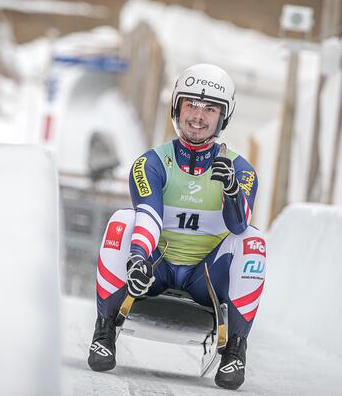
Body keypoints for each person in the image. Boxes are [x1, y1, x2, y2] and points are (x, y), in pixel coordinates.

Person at [87, 63, 266, 390]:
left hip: (207, 275)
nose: (198, 116)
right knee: (122, 220)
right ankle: (104, 332)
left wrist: (231, 191)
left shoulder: (242, 170)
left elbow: (239, 225)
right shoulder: (150, 163)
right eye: (191, 105)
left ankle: (236, 351)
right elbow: (149, 215)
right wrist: (140, 258)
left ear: (222, 118)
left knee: (253, 240)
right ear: (177, 108)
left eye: (209, 109)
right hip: (157, 266)